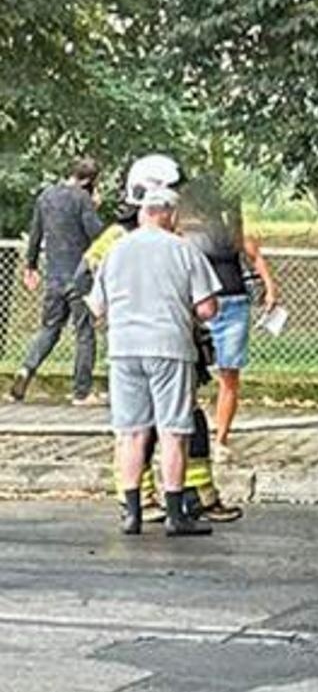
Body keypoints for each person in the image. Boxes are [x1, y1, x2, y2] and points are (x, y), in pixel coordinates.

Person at [87, 155, 220, 537]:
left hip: (124, 350)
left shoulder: (115, 250)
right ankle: (176, 515)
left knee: (131, 432)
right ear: (168, 207)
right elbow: (208, 308)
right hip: (169, 348)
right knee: (173, 431)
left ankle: (132, 513)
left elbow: (96, 308)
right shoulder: (182, 250)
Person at [181, 180, 280, 455]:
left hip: (234, 305)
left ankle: (221, 439)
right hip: (201, 307)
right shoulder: (187, 235)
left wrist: (270, 289)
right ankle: (188, 433)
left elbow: (255, 257)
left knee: (230, 373)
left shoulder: (234, 234)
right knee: (190, 372)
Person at [12, 156, 105, 404]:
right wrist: (95, 209)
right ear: (90, 181)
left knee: (50, 328)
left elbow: (35, 233)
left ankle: (26, 369)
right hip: (79, 276)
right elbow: (97, 234)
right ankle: (81, 392)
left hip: (54, 275)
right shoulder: (82, 199)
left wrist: (30, 265)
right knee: (84, 333)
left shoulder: (46, 196)